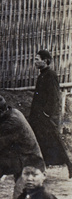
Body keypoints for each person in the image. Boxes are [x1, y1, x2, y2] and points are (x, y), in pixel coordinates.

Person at [28, 49, 72, 178]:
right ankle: (42, 168)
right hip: (38, 116)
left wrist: (47, 113)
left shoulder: (50, 75)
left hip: (44, 116)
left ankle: (69, 164)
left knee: (54, 140)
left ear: (45, 61)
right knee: (41, 141)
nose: (35, 62)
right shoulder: (42, 74)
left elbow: (54, 96)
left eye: (37, 59)